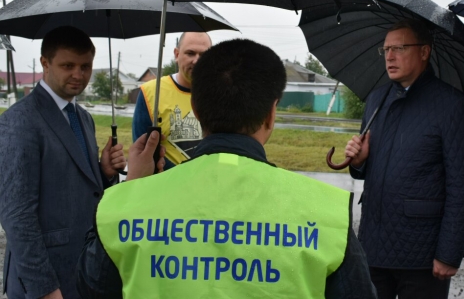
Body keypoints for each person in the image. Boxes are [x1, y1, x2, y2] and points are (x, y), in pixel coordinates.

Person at [76, 39, 377, 299]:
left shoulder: (123, 207)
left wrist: (131, 191)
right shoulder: (327, 214)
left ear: (195, 109)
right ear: (272, 114)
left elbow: (92, 287)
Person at [344, 19, 464, 299]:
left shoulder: (453, 106)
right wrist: (359, 161)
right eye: (385, 50)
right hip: (373, 245)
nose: (390, 57)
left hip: (422, 255)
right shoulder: (376, 100)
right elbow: (365, 172)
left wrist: (449, 253)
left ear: (424, 52)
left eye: (400, 48)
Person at [0, 26, 126, 299]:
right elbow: (17, 215)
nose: (78, 75)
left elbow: (79, 184)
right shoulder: (20, 121)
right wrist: (45, 289)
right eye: (68, 65)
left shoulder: (83, 117)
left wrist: (104, 172)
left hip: (81, 271)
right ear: (45, 63)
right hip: (47, 280)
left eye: (86, 66)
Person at [132, 32, 212, 169]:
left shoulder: (221, 92)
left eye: (204, 55)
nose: (197, 61)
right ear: (176, 54)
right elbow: (141, 151)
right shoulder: (151, 92)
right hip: (163, 184)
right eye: (190, 53)